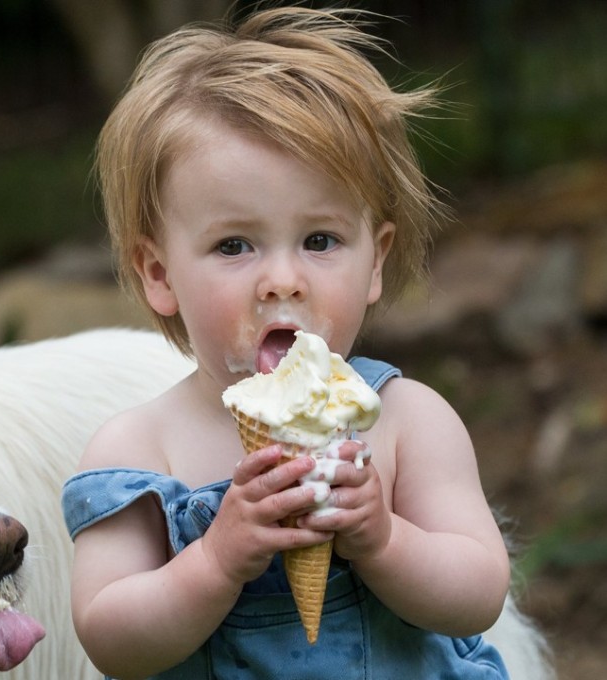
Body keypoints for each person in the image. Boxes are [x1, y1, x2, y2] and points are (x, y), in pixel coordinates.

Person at [60, 7, 512, 679]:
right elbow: (111, 640)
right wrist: (215, 561)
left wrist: (384, 540)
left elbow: (477, 594)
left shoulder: (408, 421)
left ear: (376, 263)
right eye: (234, 246)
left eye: (320, 241)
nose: (282, 280)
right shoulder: (139, 448)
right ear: (160, 275)